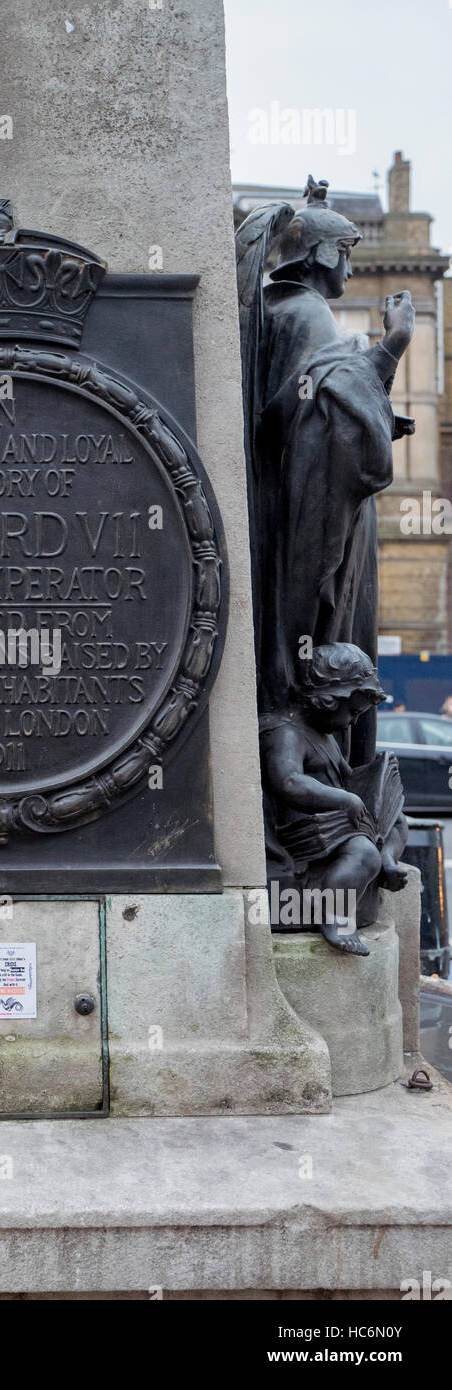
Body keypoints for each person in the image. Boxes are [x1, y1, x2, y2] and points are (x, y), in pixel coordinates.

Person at [237, 178, 415, 767]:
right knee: (329, 637)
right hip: (313, 514)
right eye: (346, 253)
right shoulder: (305, 313)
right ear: (318, 253)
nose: (351, 270)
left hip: (305, 502)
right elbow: (325, 408)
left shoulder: (282, 311)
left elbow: (316, 398)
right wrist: (392, 345)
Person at [259, 644, 408, 956]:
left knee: (397, 819)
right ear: (327, 700)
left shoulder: (323, 734)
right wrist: (344, 799)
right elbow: (288, 781)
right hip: (307, 828)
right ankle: (335, 915)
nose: (353, 721)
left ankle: (389, 860)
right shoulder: (284, 731)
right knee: (364, 853)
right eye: (352, 711)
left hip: (340, 820)